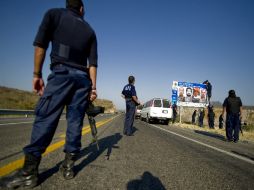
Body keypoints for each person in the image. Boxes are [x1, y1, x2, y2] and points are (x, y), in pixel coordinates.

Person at [6, 0, 98, 188]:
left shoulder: (54, 14)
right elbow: (93, 64)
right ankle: (68, 167)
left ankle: (29, 173)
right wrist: (93, 88)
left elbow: (41, 44)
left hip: (61, 74)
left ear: (68, 5)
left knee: (46, 118)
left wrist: (36, 74)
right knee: (75, 121)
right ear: (81, 9)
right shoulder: (90, 30)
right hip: (82, 81)